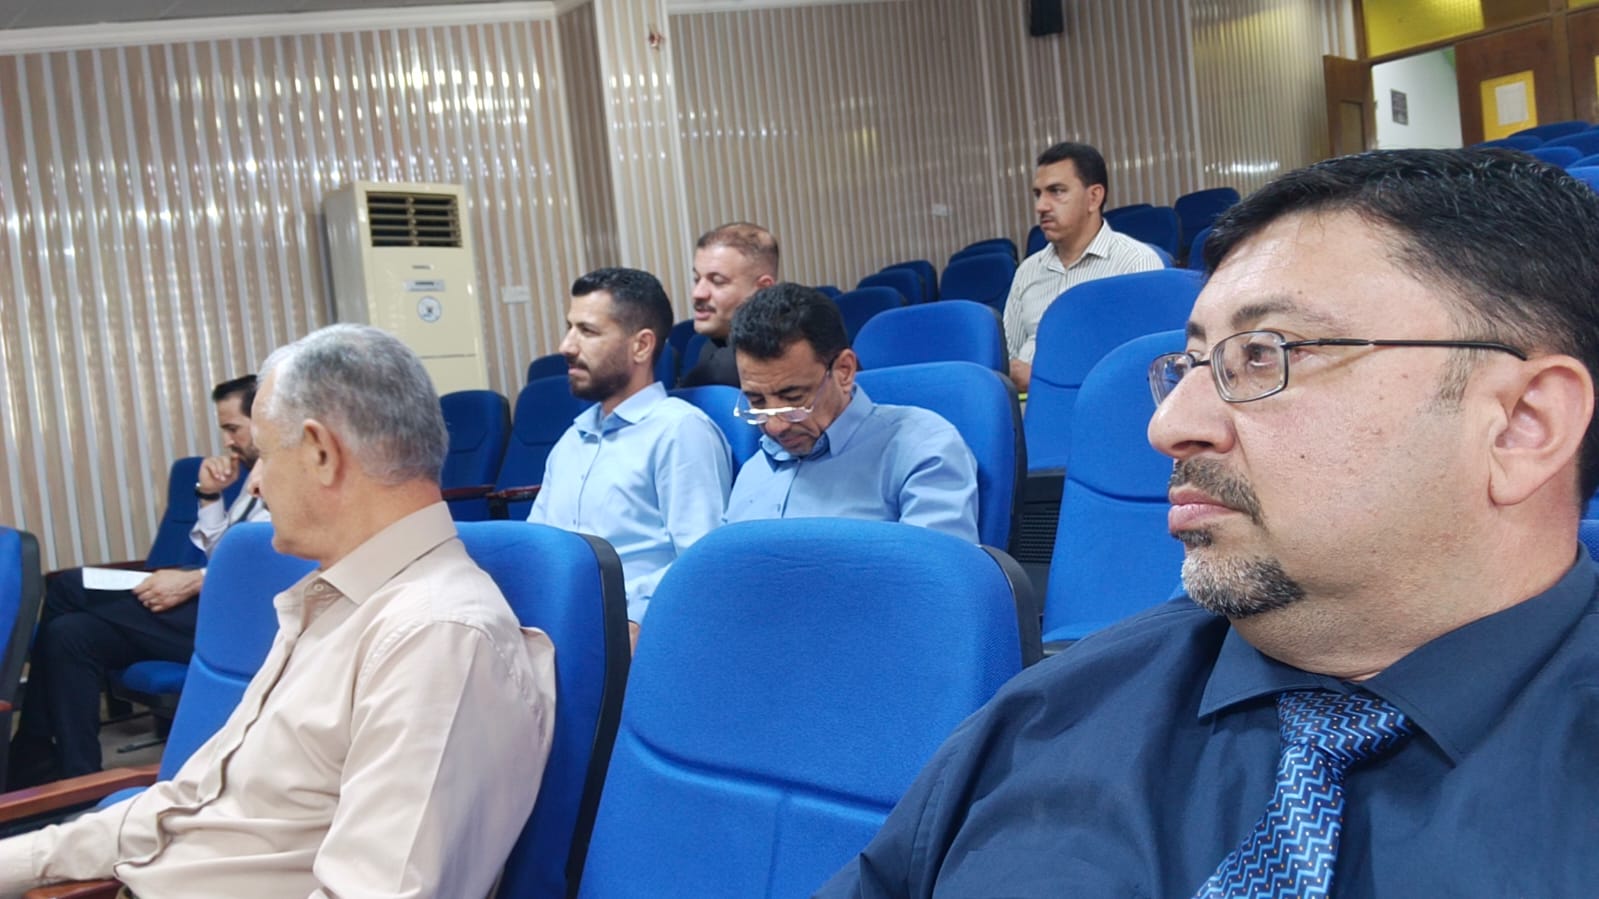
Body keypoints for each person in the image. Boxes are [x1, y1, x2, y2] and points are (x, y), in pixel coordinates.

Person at [816, 148, 1599, 897]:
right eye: (1190, 364)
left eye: (1263, 354)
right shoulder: (1044, 718)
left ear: (1521, 423)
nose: (1167, 427)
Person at [0, 324, 557, 896]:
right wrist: (21, 861)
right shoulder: (333, 600)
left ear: (321, 452)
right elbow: (183, 806)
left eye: (263, 455)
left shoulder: (435, 638)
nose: (255, 484)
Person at [7, 375, 271, 787]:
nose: (227, 441)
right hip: (212, 602)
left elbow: (273, 561)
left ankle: (31, 750)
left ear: (263, 419)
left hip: (242, 622)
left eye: (232, 428)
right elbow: (224, 552)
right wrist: (208, 496)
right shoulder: (252, 475)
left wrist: (195, 581)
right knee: (69, 634)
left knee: (68, 587)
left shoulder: (289, 477)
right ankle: (78, 780)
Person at [528, 267, 732, 640]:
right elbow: (538, 546)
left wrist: (635, 617)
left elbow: (701, 562)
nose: (566, 346)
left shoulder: (679, 431)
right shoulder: (572, 440)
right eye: (570, 328)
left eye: (587, 331)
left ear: (641, 346)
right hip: (558, 628)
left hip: (636, 633)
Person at [724, 283, 979, 542]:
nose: (775, 426)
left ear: (844, 371)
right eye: (757, 401)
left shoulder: (921, 449)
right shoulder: (756, 467)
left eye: (794, 398)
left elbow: (932, 565)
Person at [1003, 141, 1162, 392]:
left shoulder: (1135, 263)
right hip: (1027, 405)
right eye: (1038, 194)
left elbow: (1143, 365)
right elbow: (1009, 359)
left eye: (1056, 191)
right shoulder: (1027, 271)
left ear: (1094, 197)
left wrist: (1042, 379)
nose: (1041, 206)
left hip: (1099, 401)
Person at [679, 222, 780, 387]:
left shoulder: (785, 355)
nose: (698, 293)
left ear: (763, 289)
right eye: (697, 279)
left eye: (717, 281)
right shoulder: (712, 344)